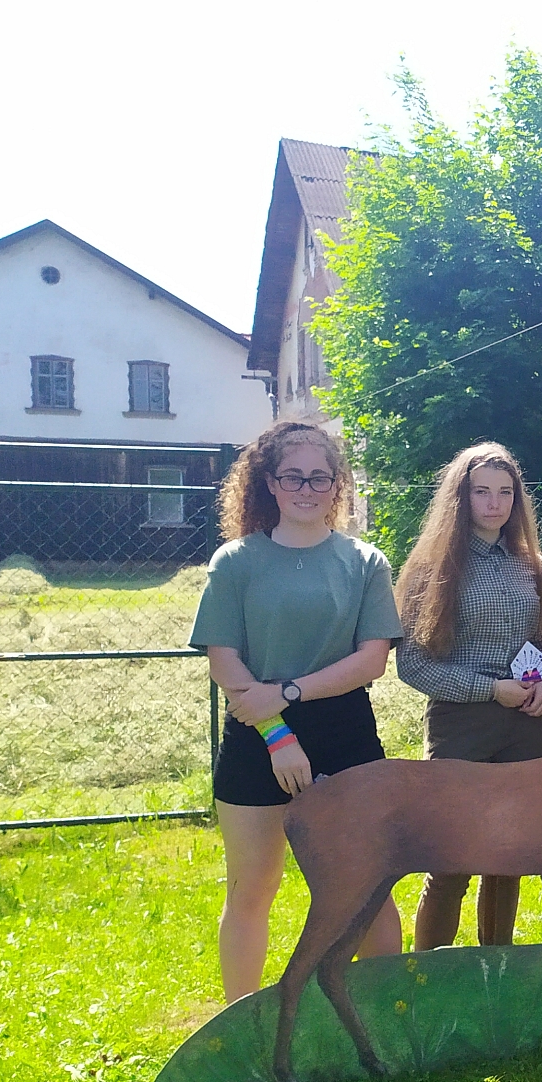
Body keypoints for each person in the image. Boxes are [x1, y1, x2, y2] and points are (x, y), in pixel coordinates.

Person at [190, 421, 404, 1001]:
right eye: (293, 477)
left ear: (337, 485)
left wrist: (286, 693)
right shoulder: (234, 562)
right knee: (252, 888)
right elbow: (224, 661)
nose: (306, 489)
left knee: (369, 888)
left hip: (345, 735)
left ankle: (385, 1015)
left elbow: (371, 661)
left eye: (319, 478)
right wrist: (277, 733)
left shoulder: (366, 561)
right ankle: (243, 1024)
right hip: (257, 737)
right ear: (269, 483)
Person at [395, 442, 542, 949]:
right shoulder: (432, 568)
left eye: (505, 492)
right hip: (460, 726)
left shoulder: (531, 563)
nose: (494, 503)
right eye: (482, 491)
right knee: (451, 860)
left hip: (524, 724)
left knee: (509, 858)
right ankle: (427, 975)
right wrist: (490, 689)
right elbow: (412, 665)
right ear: (459, 498)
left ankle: (495, 968)